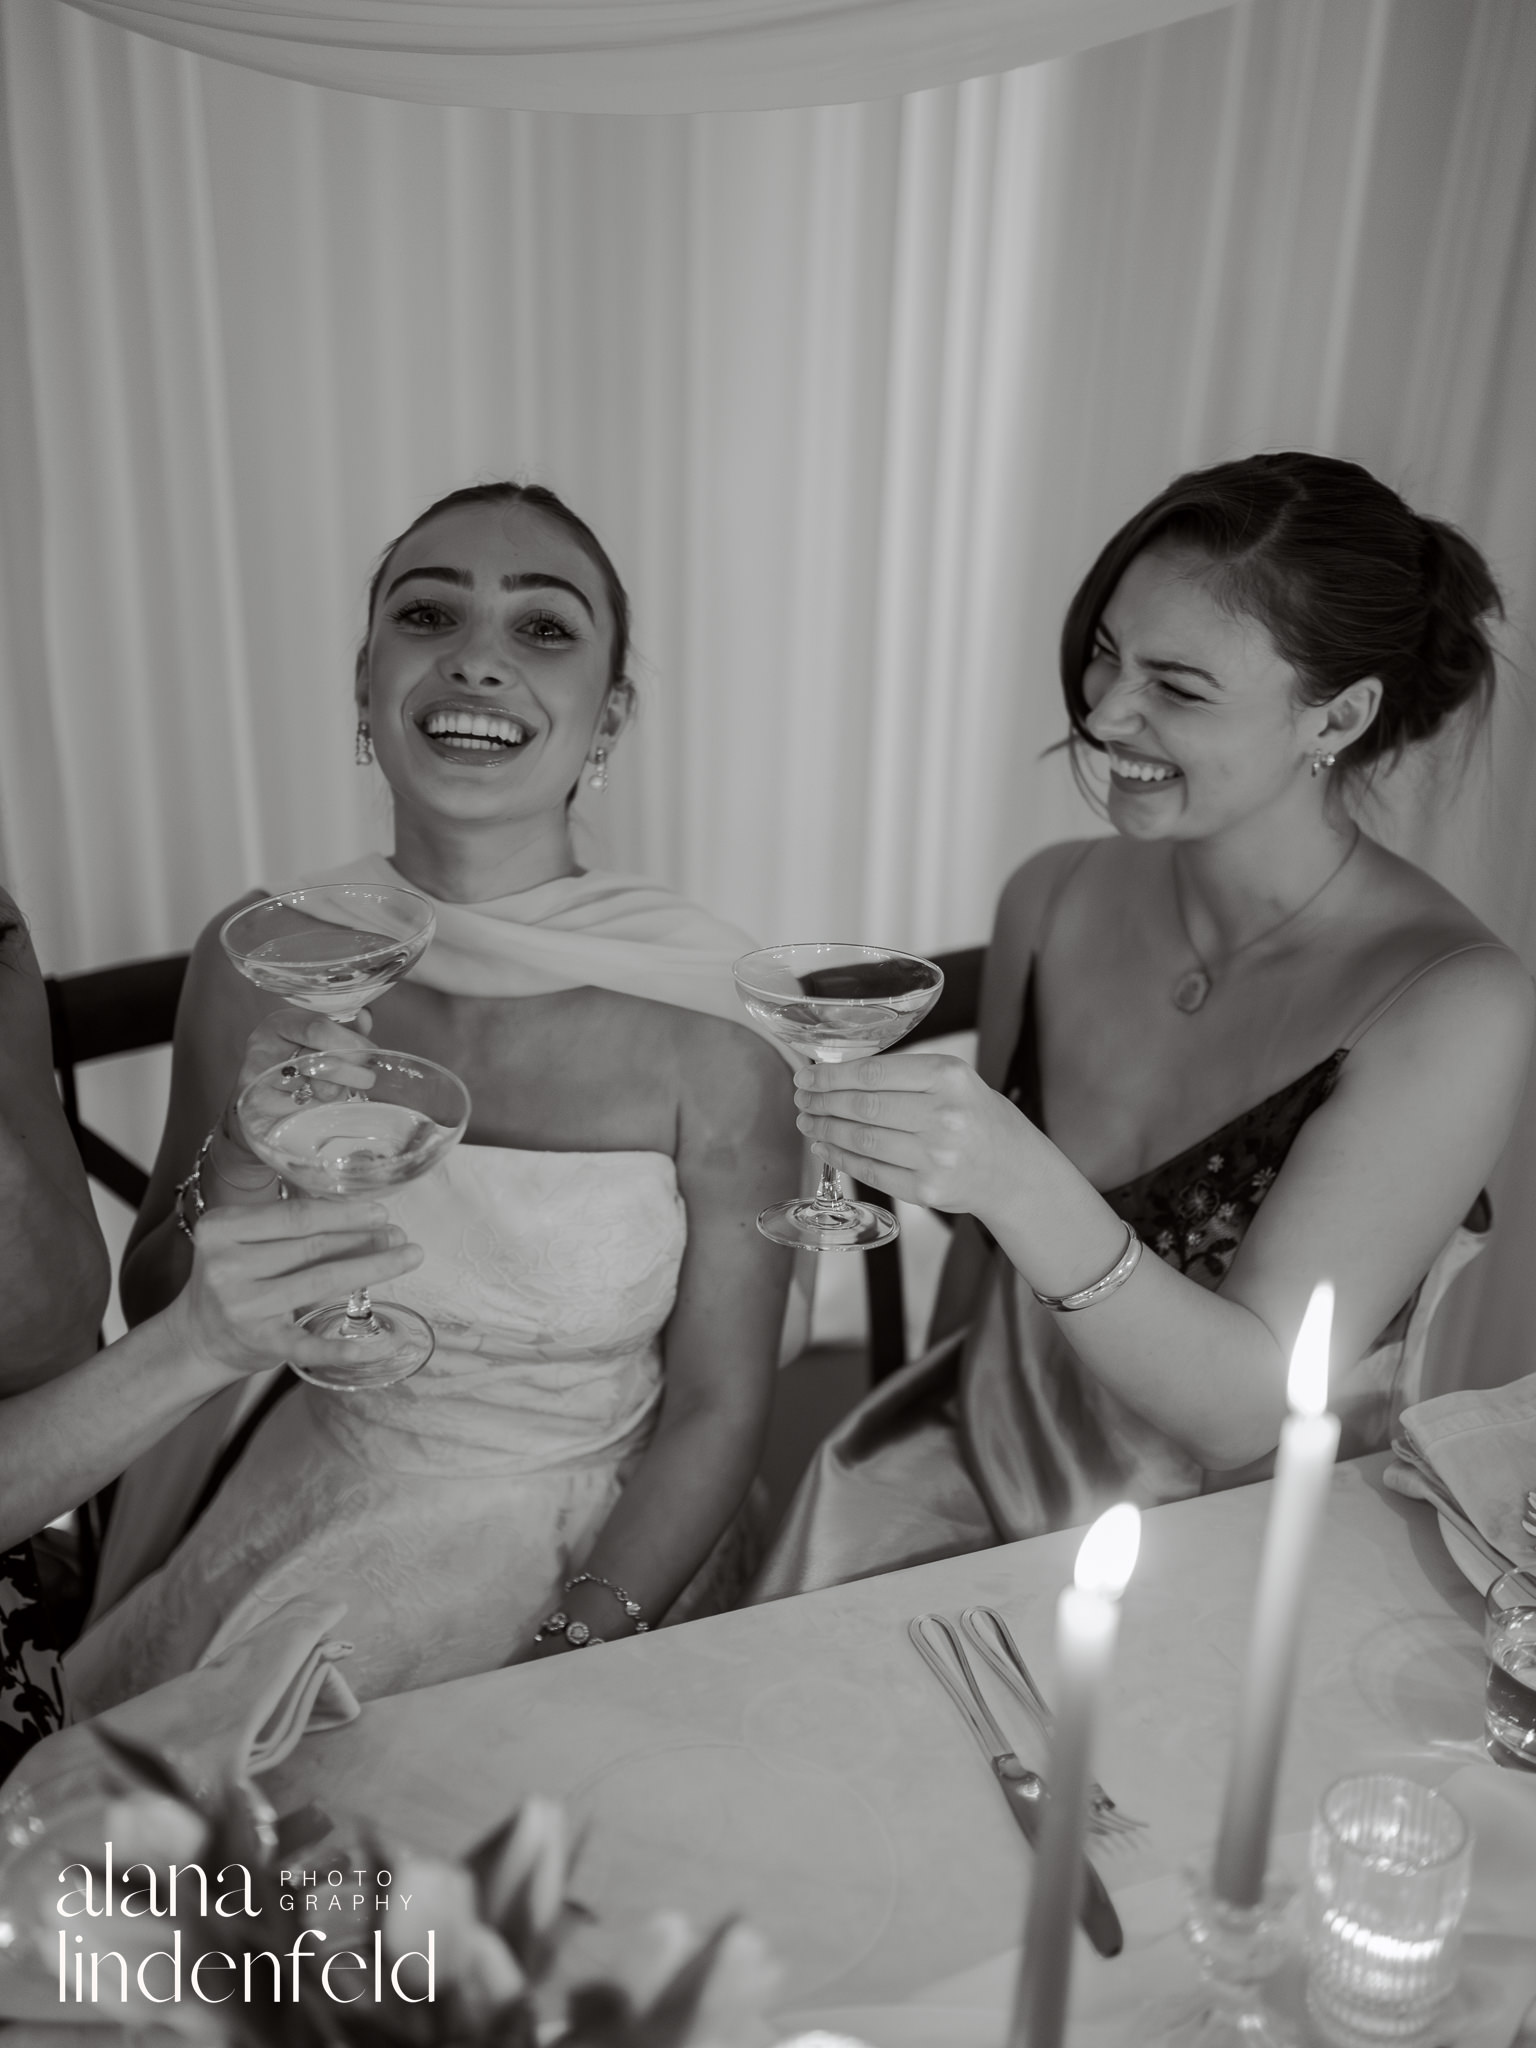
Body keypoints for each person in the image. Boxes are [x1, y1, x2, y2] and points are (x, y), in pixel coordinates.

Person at [66, 481, 798, 1712]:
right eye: (428, 614)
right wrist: (244, 1161)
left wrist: (566, 1655)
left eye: (544, 630)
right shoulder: (262, 956)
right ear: (366, 685)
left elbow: (725, 1407)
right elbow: (160, 1302)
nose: (477, 659)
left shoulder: (710, 1020)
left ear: (609, 712)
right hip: (314, 1505)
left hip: (611, 1547)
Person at [751, 451, 1534, 1599]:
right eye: (1109, 651)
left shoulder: (1451, 1000)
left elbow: (1238, 1418)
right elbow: (974, 1295)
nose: (1105, 709)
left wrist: (1019, 1178)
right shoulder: (1053, 895)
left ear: (1343, 714)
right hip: (968, 1473)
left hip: (1235, 1565)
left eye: (1179, 684)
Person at [0, 886, 421, 1777]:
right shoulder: (255, 948)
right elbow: (144, 1304)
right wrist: (196, 1346)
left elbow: (49, 1335)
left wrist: (239, 1152)